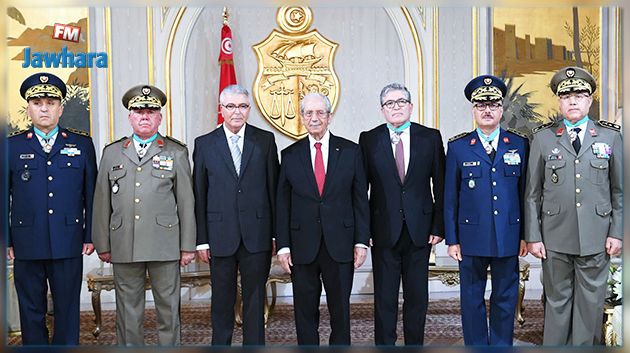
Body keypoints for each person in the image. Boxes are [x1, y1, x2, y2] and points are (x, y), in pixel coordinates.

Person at [524, 66, 623, 345]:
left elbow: (620, 191)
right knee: (556, 302)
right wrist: (533, 236)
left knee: (590, 303)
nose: (573, 101)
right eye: (566, 96)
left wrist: (617, 232)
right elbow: (532, 194)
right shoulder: (543, 138)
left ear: (590, 101)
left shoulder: (610, 137)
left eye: (579, 95)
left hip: (597, 235)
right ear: (558, 101)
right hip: (555, 236)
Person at [92, 84, 196, 345]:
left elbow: (186, 202)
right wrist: (102, 243)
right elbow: (102, 202)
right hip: (124, 243)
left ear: (160, 116)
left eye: (151, 110)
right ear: (130, 116)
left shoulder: (176, 151)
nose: (145, 116)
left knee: (168, 309)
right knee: (127, 311)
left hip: (165, 244)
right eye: (139, 111)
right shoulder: (112, 152)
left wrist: (187, 246)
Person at [7, 72, 97, 345]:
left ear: (61, 107)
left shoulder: (81, 144)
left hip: (67, 239)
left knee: (67, 308)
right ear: (28, 108)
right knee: (31, 308)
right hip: (26, 241)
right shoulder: (10, 146)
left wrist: (89, 235)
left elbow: (91, 195)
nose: (44, 108)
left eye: (50, 102)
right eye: (37, 103)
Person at [276, 93, 370, 345]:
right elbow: (282, 204)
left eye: (320, 113)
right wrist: (283, 246)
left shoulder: (351, 151)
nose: (314, 118)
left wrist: (361, 242)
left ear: (329, 117)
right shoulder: (289, 154)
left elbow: (360, 199)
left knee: (340, 309)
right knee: (304, 310)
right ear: (302, 118)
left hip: (340, 244)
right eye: (309, 113)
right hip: (301, 245)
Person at [443, 75, 528, 345]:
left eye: (493, 104)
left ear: (502, 109)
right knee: (471, 297)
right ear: (473, 110)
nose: (487, 110)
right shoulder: (458, 147)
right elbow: (449, 198)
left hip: (508, 234)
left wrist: (525, 235)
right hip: (471, 236)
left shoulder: (519, 144)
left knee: (505, 296)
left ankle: (502, 346)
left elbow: (526, 194)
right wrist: (452, 239)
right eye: (481, 105)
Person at [358, 83, 445, 345]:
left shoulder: (430, 137)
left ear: (410, 106)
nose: (395, 107)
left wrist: (438, 226)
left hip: (420, 230)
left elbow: (439, 185)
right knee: (384, 298)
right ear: (382, 110)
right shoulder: (368, 139)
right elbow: (361, 190)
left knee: (417, 297)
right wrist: (364, 232)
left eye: (400, 102)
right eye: (389, 103)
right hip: (382, 231)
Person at [193, 84, 279, 345]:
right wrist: (202, 240)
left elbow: (273, 190)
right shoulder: (205, 144)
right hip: (220, 236)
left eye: (242, 106)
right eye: (230, 106)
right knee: (222, 300)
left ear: (249, 109)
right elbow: (200, 194)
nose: (236, 112)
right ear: (221, 110)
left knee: (255, 299)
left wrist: (276, 235)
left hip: (258, 234)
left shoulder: (265, 140)